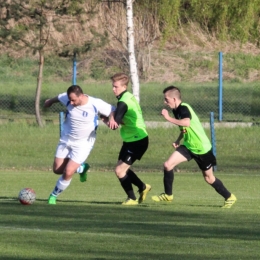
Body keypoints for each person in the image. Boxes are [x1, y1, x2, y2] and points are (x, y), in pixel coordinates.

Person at [152, 86, 237, 208]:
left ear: (174, 99)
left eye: (166, 99)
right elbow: (185, 128)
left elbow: (187, 122)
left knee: (209, 178)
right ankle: (168, 195)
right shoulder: (176, 110)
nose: (165, 102)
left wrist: (168, 118)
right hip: (188, 146)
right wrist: (178, 140)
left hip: (202, 148)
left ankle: (229, 197)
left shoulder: (184, 108)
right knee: (167, 165)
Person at [44, 85, 115, 205]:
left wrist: (112, 119)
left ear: (81, 96)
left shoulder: (95, 103)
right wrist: (50, 101)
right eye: (69, 100)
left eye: (73, 100)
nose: (71, 102)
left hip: (84, 143)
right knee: (57, 170)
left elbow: (113, 110)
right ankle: (82, 168)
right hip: (66, 140)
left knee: (68, 171)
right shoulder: (66, 98)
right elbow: (58, 97)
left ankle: (53, 196)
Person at [101, 72, 151, 206]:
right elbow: (125, 121)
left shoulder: (123, 102)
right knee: (122, 169)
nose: (113, 89)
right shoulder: (127, 97)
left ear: (123, 87)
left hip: (137, 141)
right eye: (112, 86)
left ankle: (132, 198)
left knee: (120, 170)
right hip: (130, 140)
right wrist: (107, 118)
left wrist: (110, 115)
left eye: (115, 86)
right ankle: (143, 187)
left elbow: (114, 125)